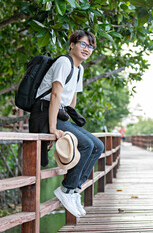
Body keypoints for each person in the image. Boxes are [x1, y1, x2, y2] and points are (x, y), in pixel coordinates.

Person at [31, 30, 104, 217]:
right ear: (72, 44)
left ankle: (73, 191)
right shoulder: (64, 62)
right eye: (83, 44)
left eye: (91, 46)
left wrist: (71, 125)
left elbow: (72, 100)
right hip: (45, 114)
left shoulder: (79, 69)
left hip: (59, 114)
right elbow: (55, 94)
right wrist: (54, 127)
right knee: (87, 144)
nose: (87, 49)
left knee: (98, 145)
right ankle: (66, 189)